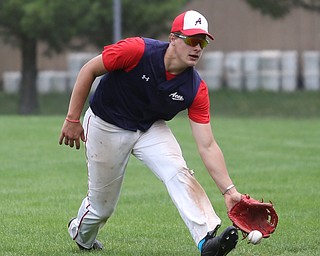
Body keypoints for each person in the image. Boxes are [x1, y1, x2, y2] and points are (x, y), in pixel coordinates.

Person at [59, 10, 242, 255]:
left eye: (203, 42)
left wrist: (229, 191)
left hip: (149, 127)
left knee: (178, 171)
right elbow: (88, 70)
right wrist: (73, 118)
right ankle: (82, 236)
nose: (197, 47)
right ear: (173, 39)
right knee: (102, 208)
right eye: (191, 40)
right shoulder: (136, 50)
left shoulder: (195, 88)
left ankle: (207, 240)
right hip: (107, 123)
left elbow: (207, 145)